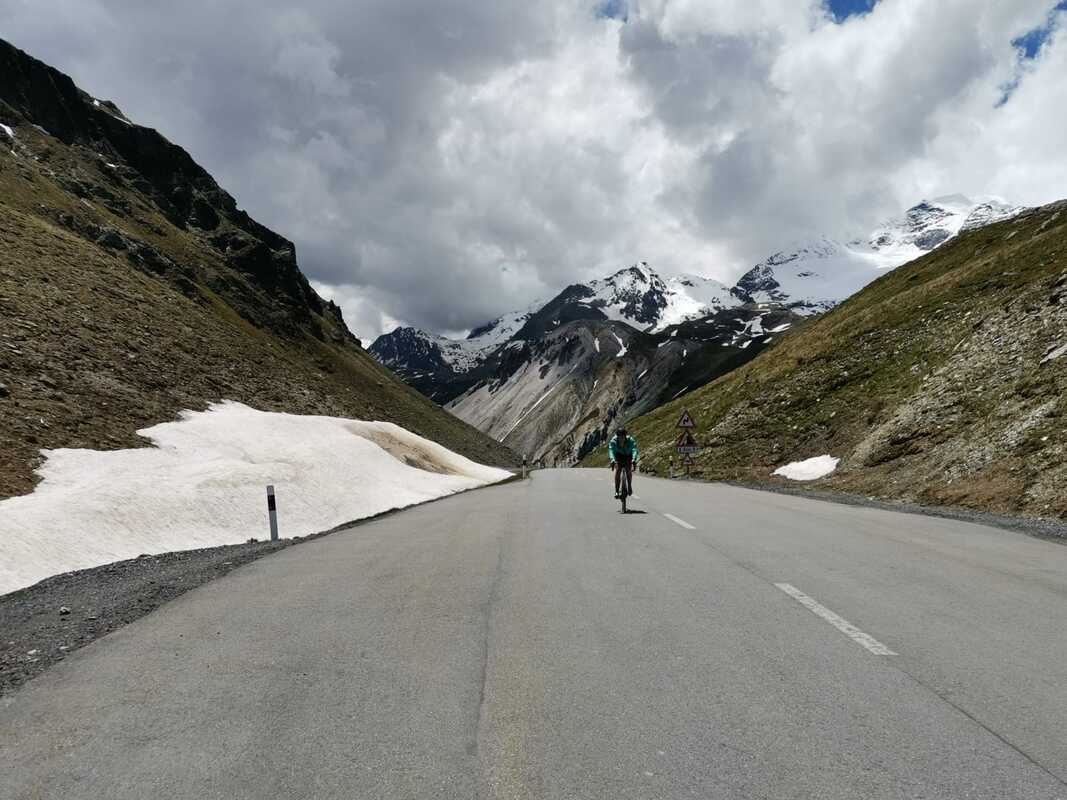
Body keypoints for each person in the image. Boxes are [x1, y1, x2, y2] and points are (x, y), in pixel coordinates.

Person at [608, 427, 638, 499]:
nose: (621, 439)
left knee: (628, 470)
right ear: (617, 437)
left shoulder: (630, 440)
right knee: (618, 470)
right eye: (620, 437)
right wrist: (612, 460)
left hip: (628, 455)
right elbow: (611, 451)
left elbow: (634, 450)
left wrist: (634, 459)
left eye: (623, 437)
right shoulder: (613, 442)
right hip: (618, 456)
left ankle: (629, 486)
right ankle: (617, 490)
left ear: (625, 436)